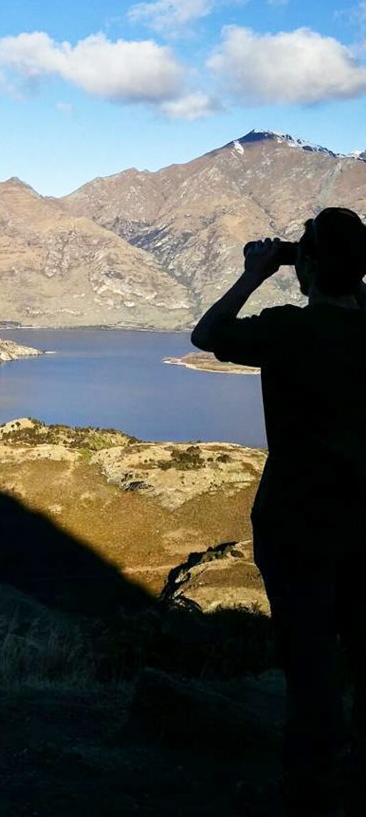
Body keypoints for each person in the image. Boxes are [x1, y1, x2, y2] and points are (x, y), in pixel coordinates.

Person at [191, 207, 366, 817]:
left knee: (309, 659)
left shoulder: (289, 329)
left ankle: (309, 788)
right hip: (364, 526)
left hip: (297, 522)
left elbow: (208, 335)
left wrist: (257, 272)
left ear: (308, 266)